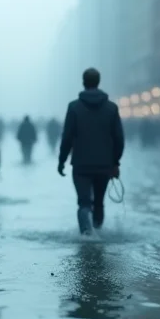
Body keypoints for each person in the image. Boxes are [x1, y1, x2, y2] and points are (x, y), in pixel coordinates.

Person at [58, 68, 125, 235]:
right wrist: (115, 162)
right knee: (99, 202)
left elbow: (67, 137)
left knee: (84, 203)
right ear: (98, 82)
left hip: (81, 165)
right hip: (104, 165)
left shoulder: (73, 107)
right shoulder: (112, 108)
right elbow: (119, 139)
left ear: (83, 82)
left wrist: (61, 161)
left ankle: (87, 237)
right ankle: (98, 234)